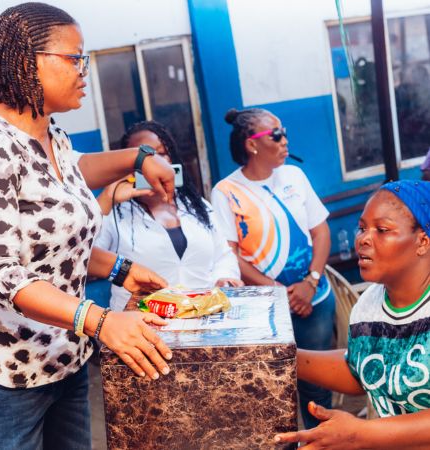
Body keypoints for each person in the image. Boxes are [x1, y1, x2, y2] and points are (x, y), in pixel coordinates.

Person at [0, 4, 175, 449]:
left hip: (66, 359)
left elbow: (59, 220)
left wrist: (140, 159)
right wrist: (101, 320)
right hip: (8, 374)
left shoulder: (52, 138)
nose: (84, 71)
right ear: (27, 62)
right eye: (75, 58)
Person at [275, 179, 430, 449]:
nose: (363, 239)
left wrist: (359, 434)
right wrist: (282, 359)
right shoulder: (369, 304)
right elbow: (363, 368)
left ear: (422, 242)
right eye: (362, 228)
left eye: (382, 230)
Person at [211, 107, 335, 429]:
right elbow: (229, 254)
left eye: (284, 133)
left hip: (314, 301)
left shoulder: (295, 176)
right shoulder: (226, 192)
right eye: (276, 135)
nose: (284, 141)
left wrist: (311, 281)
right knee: (273, 391)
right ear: (252, 144)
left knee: (316, 391)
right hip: (266, 310)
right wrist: (277, 291)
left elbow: (321, 232)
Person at [95, 120, 243, 311]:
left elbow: (223, 255)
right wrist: (106, 199)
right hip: (140, 320)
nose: (154, 162)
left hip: (203, 314)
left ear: (171, 159)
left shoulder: (197, 206)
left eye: (161, 153)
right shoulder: (114, 213)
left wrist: (224, 278)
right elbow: (83, 256)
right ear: (128, 165)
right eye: (143, 157)